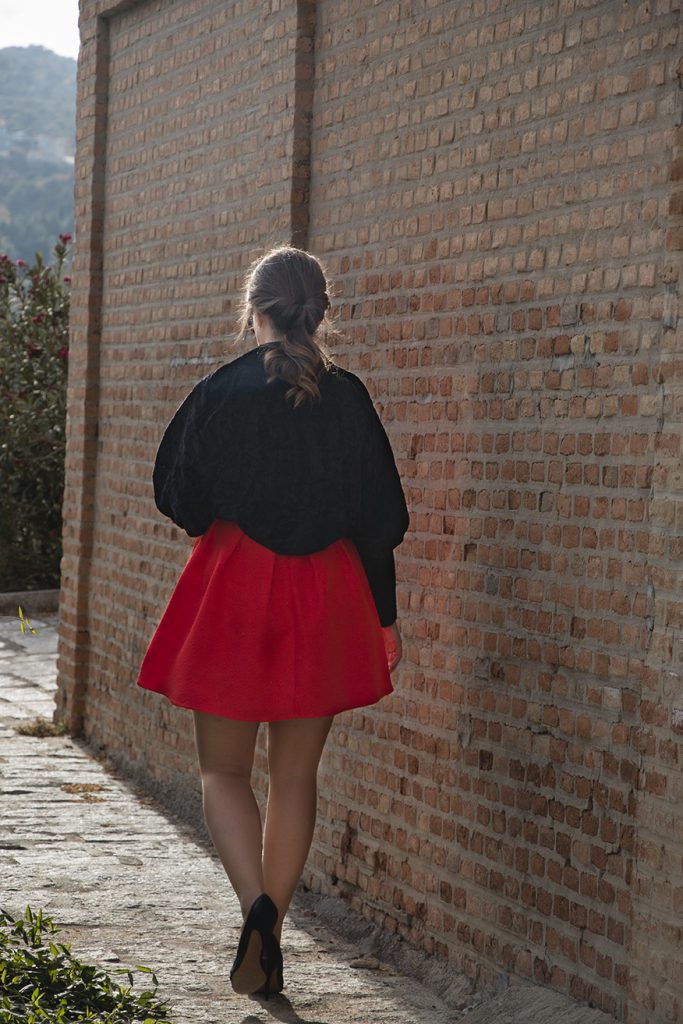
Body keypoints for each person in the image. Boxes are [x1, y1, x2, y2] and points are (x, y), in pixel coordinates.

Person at [135, 246, 409, 1000]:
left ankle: (252, 904)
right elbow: (380, 519)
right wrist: (383, 619)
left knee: (222, 770)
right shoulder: (348, 396)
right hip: (326, 591)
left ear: (251, 307)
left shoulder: (220, 390)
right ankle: (273, 929)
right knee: (294, 776)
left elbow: (178, 496)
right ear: (321, 310)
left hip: (232, 583)